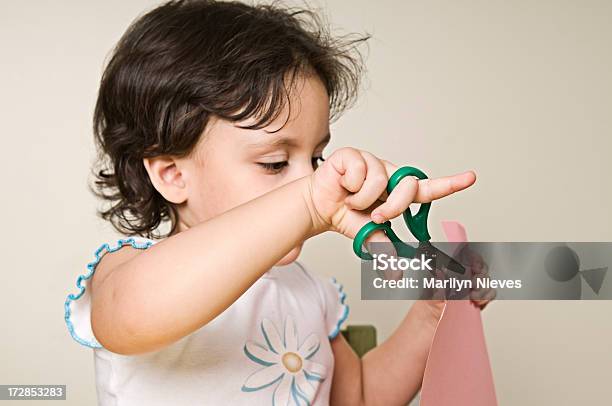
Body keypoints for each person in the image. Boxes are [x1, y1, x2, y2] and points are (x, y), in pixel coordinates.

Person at [64, 1, 492, 404]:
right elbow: (131, 317)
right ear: (173, 175)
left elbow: (358, 397)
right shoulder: (130, 273)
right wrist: (308, 202)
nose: (311, 180)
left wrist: (433, 312)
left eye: (317, 158)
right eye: (274, 163)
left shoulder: (310, 294)